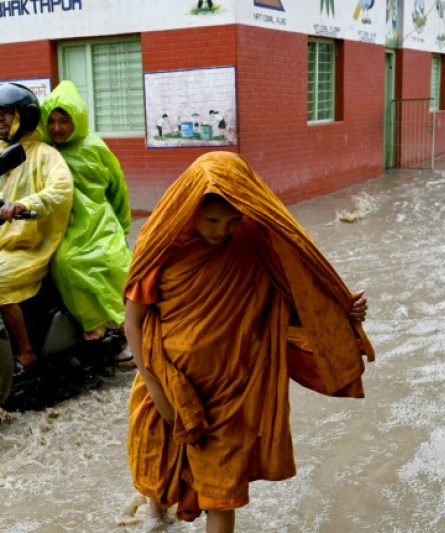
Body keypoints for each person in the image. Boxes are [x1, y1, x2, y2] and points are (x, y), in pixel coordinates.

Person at [124, 151, 374, 532]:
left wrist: (343, 315)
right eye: (210, 219)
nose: (220, 231)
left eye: (232, 220)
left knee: (220, 495)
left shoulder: (255, 244)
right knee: (158, 474)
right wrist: (156, 388)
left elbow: (291, 301)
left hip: (232, 390)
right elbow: (134, 322)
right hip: (167, 382)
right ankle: (156, 516)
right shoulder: (162, 246)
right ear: (188, 206)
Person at [0, 82, 73, 375]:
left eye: (8, 113)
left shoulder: (44, 154)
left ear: (25, 115)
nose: (0, 119)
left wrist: (24, 204)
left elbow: (61, 190)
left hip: (29, 245)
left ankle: (26, 351)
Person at [38, 80, 133, 341]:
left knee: (115, 262)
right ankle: (93, 320)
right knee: (66, 263)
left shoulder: (95, 147)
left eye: (64, 121)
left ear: (76, 120)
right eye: (52, 121)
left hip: (100, 219)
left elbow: (117, 186)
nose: (57, 128)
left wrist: (123, 224)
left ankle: (126, 321)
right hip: (64, 224)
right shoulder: (45, 151)